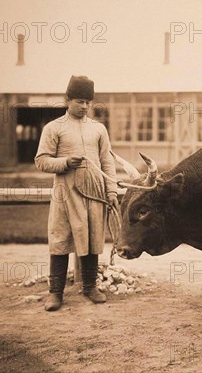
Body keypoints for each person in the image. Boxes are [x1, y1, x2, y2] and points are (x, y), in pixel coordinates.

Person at [35, 76, 119, 311]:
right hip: (65, 192)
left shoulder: (98, 129)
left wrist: (111, 191)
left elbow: (107, 162)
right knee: (61, 238)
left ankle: (90, 286)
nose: (84, 106)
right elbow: (41, 161)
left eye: (88, 102)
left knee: (92, 237)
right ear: (68, 99)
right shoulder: (54, 128)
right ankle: (55, 293)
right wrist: (64, 163)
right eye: (80, 101)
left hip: (94, 192)